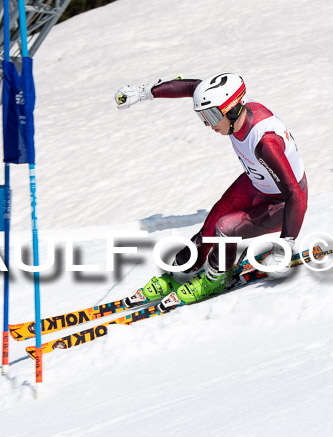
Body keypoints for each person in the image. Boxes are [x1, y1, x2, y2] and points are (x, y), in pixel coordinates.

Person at [115, 73, 308, 304]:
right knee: (210, 225)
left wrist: (285, 245)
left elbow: (295, 193)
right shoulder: (236, 116)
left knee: (225, 228)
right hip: (257, 183)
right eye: (203, 116)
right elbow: (192, 87)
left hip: (283, 203)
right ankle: (183, 271)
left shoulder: (265, 143)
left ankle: (217, 278)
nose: (209, 124)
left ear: (233, 109)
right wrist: (144, 92)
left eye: (213, 115)